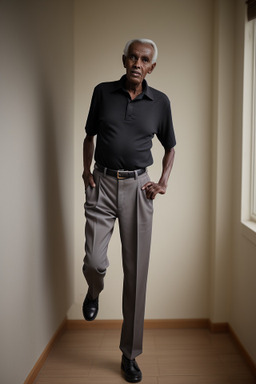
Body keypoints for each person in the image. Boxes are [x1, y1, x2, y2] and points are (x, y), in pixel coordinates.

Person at [82, 38, 176, 383]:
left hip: (139, 188)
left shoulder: (160, 102)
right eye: (133, 57)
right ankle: (94, 290)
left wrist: (162, 181)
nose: (138, 63)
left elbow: (170, 147)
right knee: (95, 260)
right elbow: (89, 136)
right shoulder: (102, 93)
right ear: (124, 60)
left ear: (152, 67)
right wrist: (85, 170)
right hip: (102, 183)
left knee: (137, 277)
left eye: (145, 59)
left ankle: (130, 355)